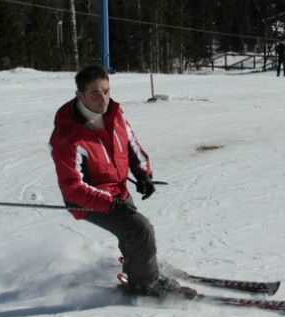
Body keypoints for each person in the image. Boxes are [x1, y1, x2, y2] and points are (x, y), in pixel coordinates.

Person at [49, 64, 188, 298]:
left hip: (118, 191)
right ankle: (143, 284)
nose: (103, 99)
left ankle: (137, 264)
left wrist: (143, 173)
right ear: (80, 95)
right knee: (139, 229)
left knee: (134, 231)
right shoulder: (68, 138)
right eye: (95, 94)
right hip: (88, 200)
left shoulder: (115, 114)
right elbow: (73, 188)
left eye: (106, 91)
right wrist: (109, 203)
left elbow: (132, 145)